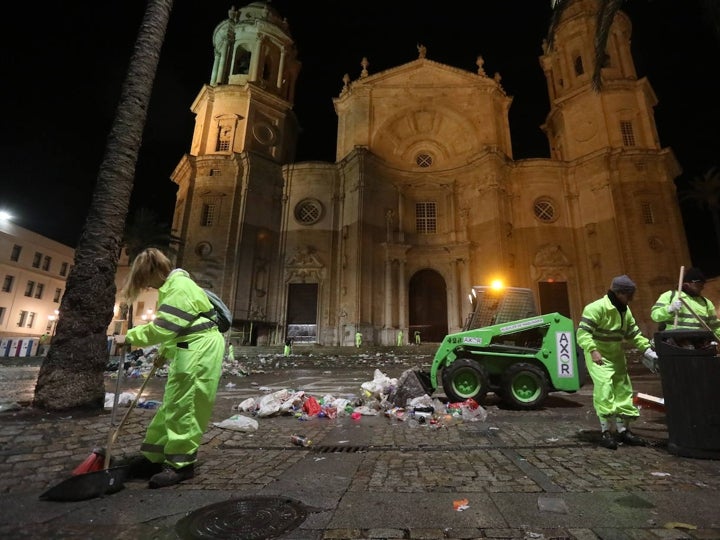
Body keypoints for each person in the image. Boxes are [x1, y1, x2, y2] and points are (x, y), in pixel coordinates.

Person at [113, 248, 225, 488]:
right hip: (190, 346)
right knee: (173, 403)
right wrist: (165, 352)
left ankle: (181, 464)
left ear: (154, 272)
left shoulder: (178, 287)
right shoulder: (173, 287)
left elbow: (164, 327)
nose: (148, 287)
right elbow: (180, 326)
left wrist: (130, 337)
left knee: (187, 404)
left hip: (199, 348)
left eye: (146, 281)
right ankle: (155, 456)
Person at [576, 275, 658, 450]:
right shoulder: (596, 308)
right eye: (629, 294)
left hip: (616, 356)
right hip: (599, 356)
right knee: (604, 389)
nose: (632, 298)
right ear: (619, 292)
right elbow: (583, 333)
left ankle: (623, 430)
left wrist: (647, 349)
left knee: (623, 391)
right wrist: (593, 350)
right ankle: (606, 431)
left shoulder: (624, 311)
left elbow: (633, 334)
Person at [651, 267, 720, 339]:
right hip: (675, 342)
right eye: (698, 285)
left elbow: (715, 326)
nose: (701, 288)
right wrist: (669, 309)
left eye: (702, 285)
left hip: (699, 344)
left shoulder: (706, 303)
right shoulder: (670, 295)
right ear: (687, 284)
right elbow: (655, 316)